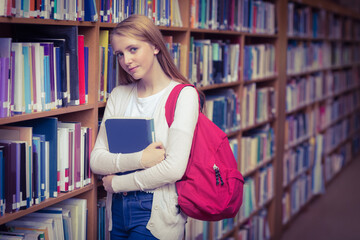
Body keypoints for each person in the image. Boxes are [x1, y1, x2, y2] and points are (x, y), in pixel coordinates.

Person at [90, 14, 200, 240]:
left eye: (133, 49)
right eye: (120, 54)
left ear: (155, 46)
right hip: (117, 210)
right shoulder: (119, 95)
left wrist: (117, 182)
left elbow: (174, 169)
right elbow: (97, 160)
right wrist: (141, 159)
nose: (126, 61)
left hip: (156, 210)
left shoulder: (184, 95)